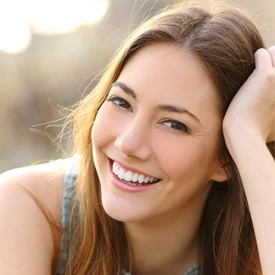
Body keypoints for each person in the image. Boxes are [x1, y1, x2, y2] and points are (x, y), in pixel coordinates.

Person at [0, 1, 274, 274]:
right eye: (121, 102)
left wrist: (247, 136)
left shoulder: (259, 241)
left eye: (173, 124)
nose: (128, 144)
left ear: (226, 159)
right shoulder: (25, 207)